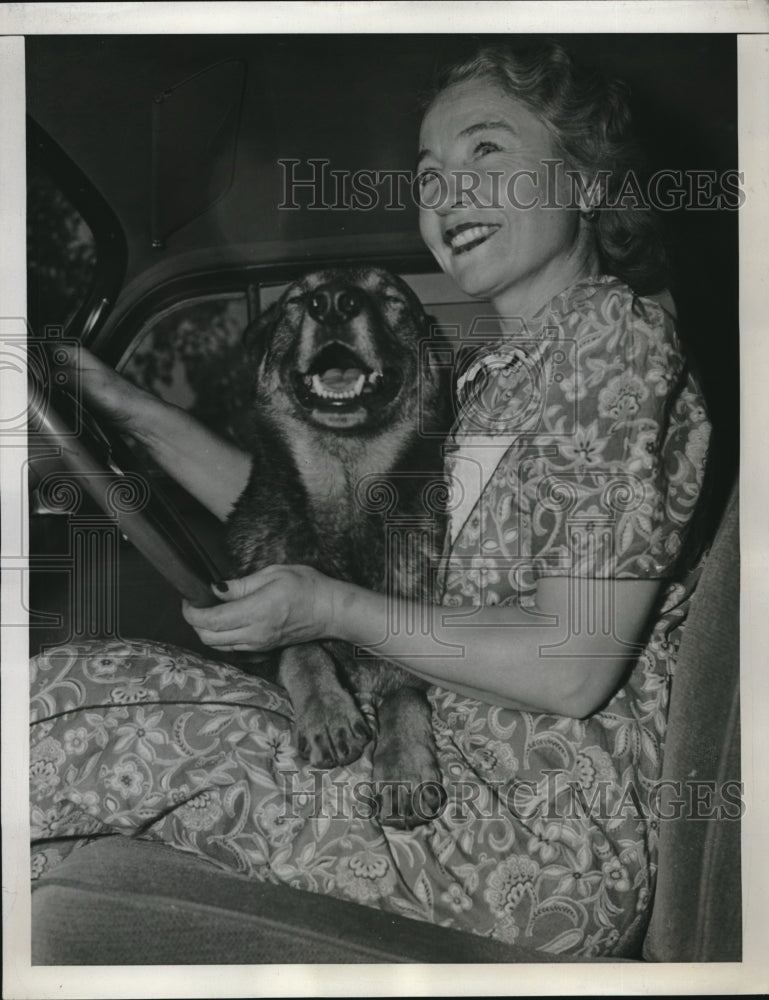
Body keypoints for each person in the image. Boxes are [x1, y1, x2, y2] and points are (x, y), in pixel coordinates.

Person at [30, 41, 711, 958]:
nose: (447, 191)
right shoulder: (498, 378)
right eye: (430, 173)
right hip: (467, 795)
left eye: (486, 154)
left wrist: (326, 604)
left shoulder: (609, 349)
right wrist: (127, 411)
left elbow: (572, 661)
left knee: (59, 705)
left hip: (531, 839)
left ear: (586, 181)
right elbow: (307, 517)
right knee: (70, 733)